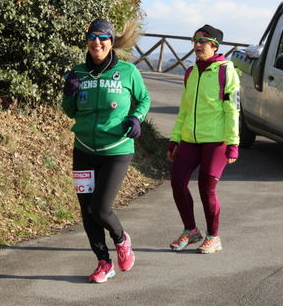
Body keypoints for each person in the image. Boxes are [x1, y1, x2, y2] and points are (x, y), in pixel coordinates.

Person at [62, 18, 150, 283]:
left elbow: (144, 99)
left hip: (116, 150)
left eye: (103, 38)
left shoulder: (127, 72)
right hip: (84, 150)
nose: (97, 43)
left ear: (111, 42)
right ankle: (103, 262)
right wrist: (69, 94)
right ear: (87, 41)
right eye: (92, 37)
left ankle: (122, 240)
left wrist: (136, 118)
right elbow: (70, 111)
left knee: (100, 209)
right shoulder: (77, 73)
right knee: (86, 211)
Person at [167, 24, 240, 254]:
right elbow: (185, 110)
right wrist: (175, 139)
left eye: (202, 42)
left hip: (216, 141)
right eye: (195, 41)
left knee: (206, 189)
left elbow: (232, 109)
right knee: (177, 182)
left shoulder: (225, 71)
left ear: (214, 45)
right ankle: (190, 230)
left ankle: (213, 236)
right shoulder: (191, 72)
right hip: (190, 138)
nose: (197, 45)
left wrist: (233, 143)